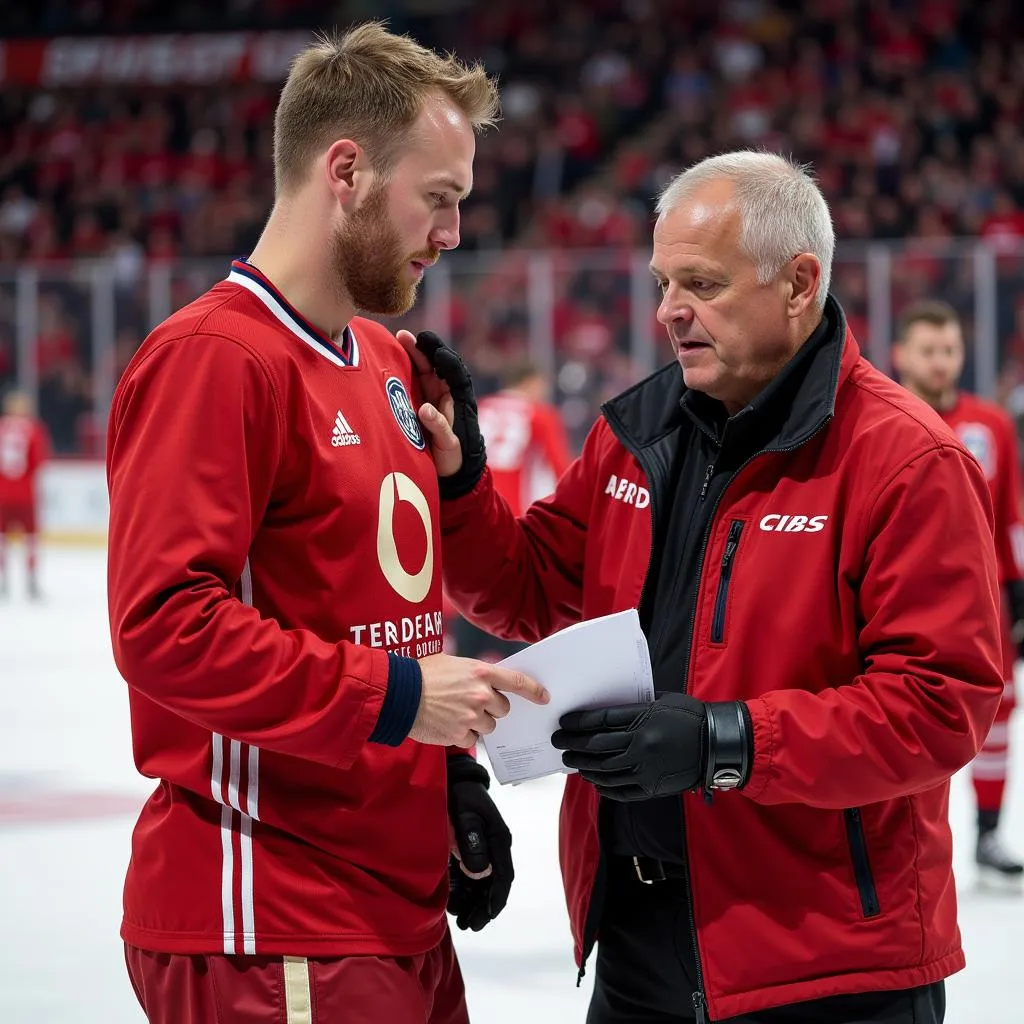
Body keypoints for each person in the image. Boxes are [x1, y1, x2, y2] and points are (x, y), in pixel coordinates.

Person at [403, 151, 1004, 1024]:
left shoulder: (907, 460)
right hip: (638, 941)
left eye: (702, 283)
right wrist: (460, 488)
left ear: (799, 284)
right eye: (662, 281)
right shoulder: (637, 429)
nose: (668, 310)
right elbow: (529, 587)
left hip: (830, 968)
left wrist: (726, 742)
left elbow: (941, 704)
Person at [105, 23, 549, 1024]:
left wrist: (445, 783)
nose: (452, 235)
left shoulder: (390, 366)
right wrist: (398, 699)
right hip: (272, 915)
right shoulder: (217, 358)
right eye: (438, 200)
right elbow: (162, 628)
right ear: (344, 171)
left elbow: (381, 616)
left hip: (392, 911)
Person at [892, 299, 1024, 884]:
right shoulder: (882, 417)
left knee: (997, 710)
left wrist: (1017, 592)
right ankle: (907, 840)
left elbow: (1011, 517)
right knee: (910, 711)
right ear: (902, 356)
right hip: (905, 594)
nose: (940, 362)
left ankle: (988, 836)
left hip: (984, 594)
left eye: (949, 351)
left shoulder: (991, 424)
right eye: (928, 351)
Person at [450, 360, 573, 660]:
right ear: (531, 383)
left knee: (468, 609)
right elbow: (564, 473)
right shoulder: (539, 414)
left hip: (469, 514)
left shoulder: (479, 407)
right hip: (512, 523)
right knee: (519, 619)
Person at [0, 389, 49, 599]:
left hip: (2, 494)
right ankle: (30, 581)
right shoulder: (34, 430)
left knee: (2, 538)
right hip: (25, 494)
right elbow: (39, 461)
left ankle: (4, 581)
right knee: (31, 539)